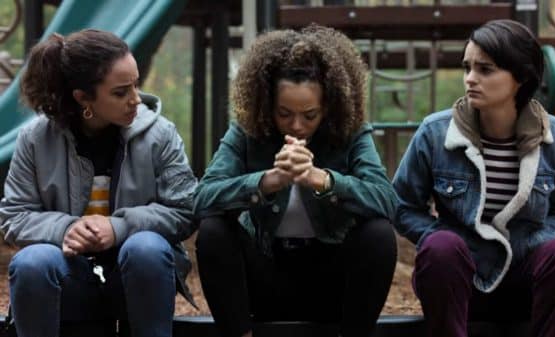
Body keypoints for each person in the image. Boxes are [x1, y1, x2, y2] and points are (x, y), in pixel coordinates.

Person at [392, 19, 555, 337]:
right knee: (440, 248)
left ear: (521, 76)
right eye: (467, 67)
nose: (470, 79)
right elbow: (402, 206)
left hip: (528, 279)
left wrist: (532, 244)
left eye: (485, 70)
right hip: (461, 281)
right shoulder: (435, 132)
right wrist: (443, 235)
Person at [194, 24, 398, 337]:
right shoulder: (248, 131)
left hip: (330, 279)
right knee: (213, 231)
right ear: (266, 103)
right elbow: (203, 197)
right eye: (284, 114)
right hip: (266, 275)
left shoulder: (351, 132)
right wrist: (266, 182)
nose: (297, 125)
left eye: (310, 115)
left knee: (379, 234)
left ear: (328, 106)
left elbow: (386, 200)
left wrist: (324, 181)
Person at [0, 29, 197, 337]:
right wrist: (67, 228)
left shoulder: (160, 134)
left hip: (139, 277)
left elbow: (185, 209)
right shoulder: (35, 139)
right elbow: (14, 214)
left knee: (146, 247)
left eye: (135, 85)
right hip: (67, 274)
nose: (135, 99)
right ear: (82, 98)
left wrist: (117, 228)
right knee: (32, 262)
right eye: (120, 92)